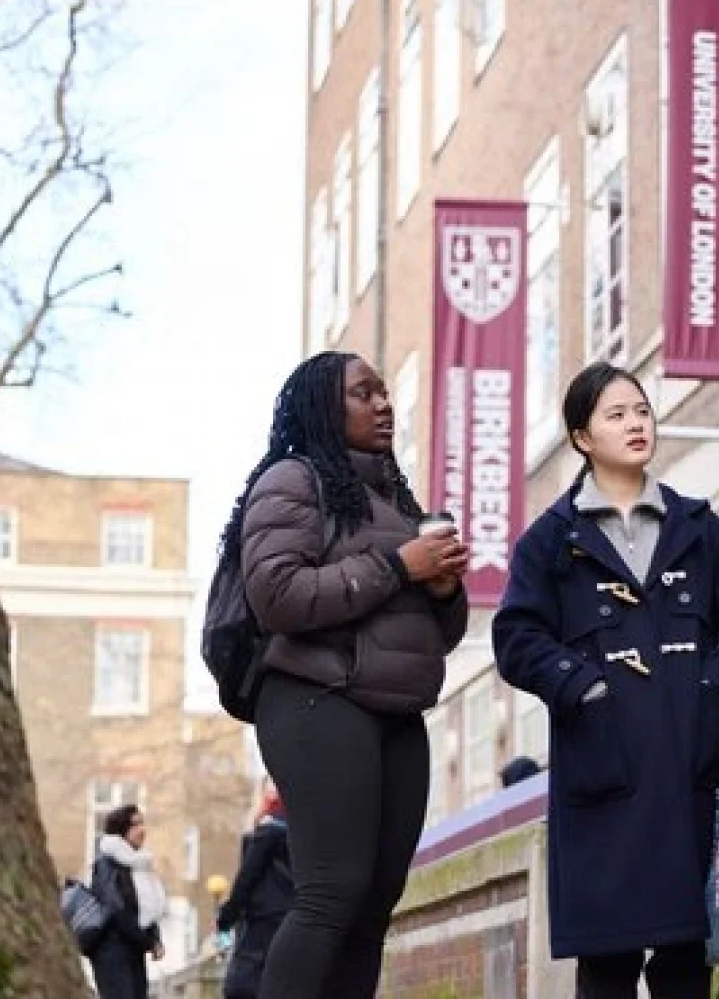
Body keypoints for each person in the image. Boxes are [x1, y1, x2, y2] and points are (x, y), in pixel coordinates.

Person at [493, 361, 719, 999]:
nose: (636, 424)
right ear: (583, 437)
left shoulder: (699, 528)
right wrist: (582, 687)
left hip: (690, 770)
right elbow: (516, 638)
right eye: (616, 415)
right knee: (607, 967)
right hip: (602, 775)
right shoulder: (550, 542)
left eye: (641, 410)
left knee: (685, 964)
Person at [220, 351, 469, 999]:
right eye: (364, 393)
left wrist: (442, 589)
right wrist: (398, 566)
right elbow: (277, 594)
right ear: (323, 408)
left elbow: (436, 635)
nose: (383, 404)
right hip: (315, 700)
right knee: (332, 893)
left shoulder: (396, 498)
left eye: (384, 393)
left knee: (371, 910)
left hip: (396, 714)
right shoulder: (292, 481)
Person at [216, 784, 294, 999]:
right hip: (291, 914)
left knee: (247, 983)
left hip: (263, 916)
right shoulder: (299, 830)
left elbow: (247, 876)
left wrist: (227, 915)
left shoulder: (270, 830)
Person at [89, 805, 166, 999]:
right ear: (121, 830)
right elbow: (117, 910)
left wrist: (155, 938)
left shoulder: (139, 864)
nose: (142, 830)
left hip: (133, 948)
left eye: (142, 823)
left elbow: (147, 909)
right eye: (135, 824)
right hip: (112, 951)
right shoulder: (107, 864)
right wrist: (148, 942)